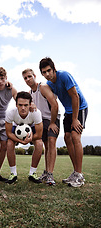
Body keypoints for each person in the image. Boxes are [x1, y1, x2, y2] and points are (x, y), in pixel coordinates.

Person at [39, 57, 88, 187]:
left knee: (75, 136)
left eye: (49, 70)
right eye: (44, 72)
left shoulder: (64, 75)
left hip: (80, 108)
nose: (47, 74)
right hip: (68, 111)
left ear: (54, 69)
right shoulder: (49, 84)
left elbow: (75, 96)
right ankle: (75, 172)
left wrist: (75, 119)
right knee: (67, 137)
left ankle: (79, 174)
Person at [22, 68, 60, 185]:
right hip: (41, 121)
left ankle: (50, 174)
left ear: (34, 75)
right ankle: (46, 171)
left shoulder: (42, 87)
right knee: (46, 146)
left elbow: (54, 104)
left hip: (52, 118)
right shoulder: (30, 94)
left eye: (29, 76)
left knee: (51, 142)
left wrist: (53, 122)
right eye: (25, 78)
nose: (28, 79)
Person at [5, 91, 43, 184]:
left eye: (26, 105)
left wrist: (30, 139)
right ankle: (13, 174)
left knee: (39, 143)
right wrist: (19, 141)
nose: (23, 108)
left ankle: (32, 173)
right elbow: (9, 133)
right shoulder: (10, 112)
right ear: (16, 104)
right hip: (16, 127)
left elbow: (39, 134)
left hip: (31, 128)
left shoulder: (36, 113)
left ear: (30, 104)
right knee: (9, 143)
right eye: (20, 105)